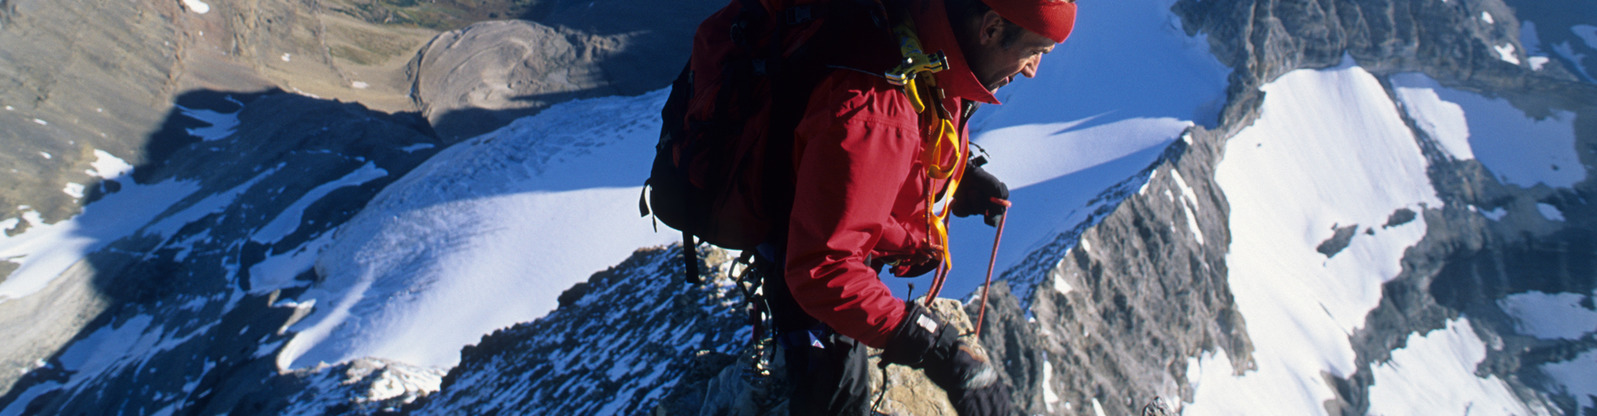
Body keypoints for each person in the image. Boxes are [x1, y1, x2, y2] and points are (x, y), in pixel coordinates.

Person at [757, 0, 1078, 414]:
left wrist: (955, 182)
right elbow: (823, 267)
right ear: (993, 28)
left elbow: (897, 145)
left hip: (831, 227)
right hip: (810, 263)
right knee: (836, 399)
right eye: (1035, 51)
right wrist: (938, 347)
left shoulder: (932, 44)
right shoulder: (879, 109)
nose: (1033, 69)